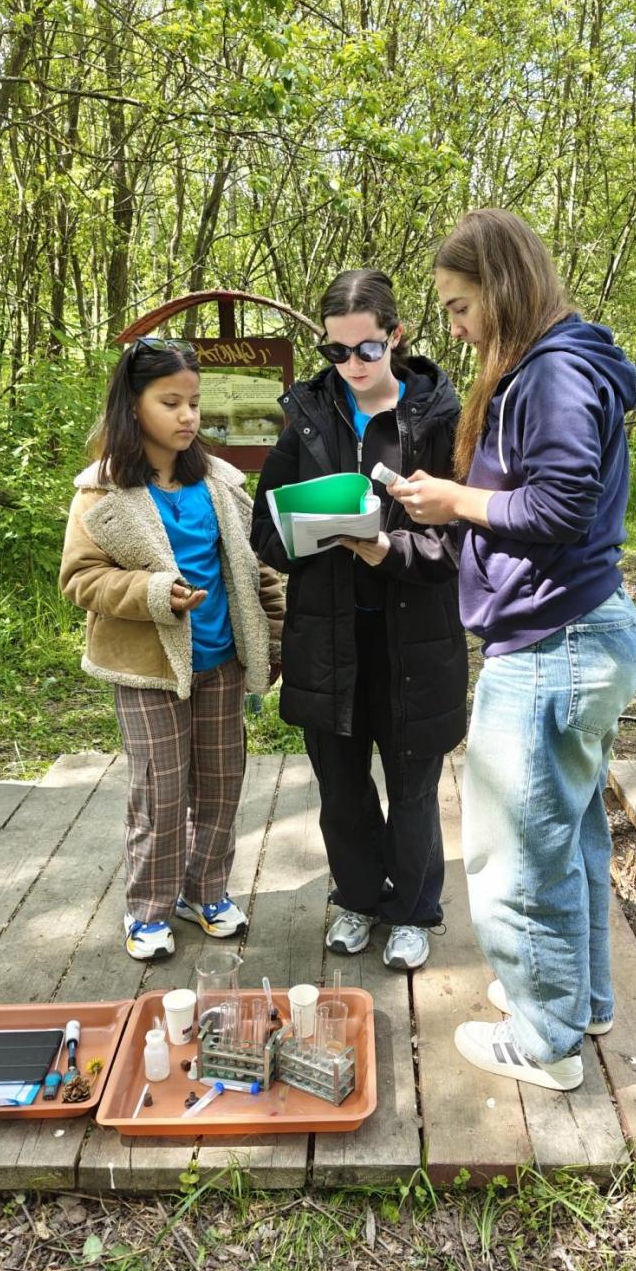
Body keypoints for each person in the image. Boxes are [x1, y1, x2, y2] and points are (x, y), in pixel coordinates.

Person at [389, 210, 636, 1088]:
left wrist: (457, 502)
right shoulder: (563, 361)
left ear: (499, 287)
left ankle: (544, 1041)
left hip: (551, 645)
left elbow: (560, 505)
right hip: (576, 635)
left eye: (460, 308)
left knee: (516, 855)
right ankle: (582, 1000)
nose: (454, 329)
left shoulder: (555, 372)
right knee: (567, 835)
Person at [251, 269, 467, 971]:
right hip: (327, 636)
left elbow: (464, 544)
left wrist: (387, 547)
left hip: (416, 637)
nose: (352, 365)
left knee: (411, 788)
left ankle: (412, 910)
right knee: (341, 787)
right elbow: (264, 534)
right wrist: (311, 532)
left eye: (367, 349)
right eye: (336, 351)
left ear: (397, 336)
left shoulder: (441, 419)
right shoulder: (308, 417)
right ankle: (356, 898)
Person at [60, 337, 284, 960]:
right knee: (160, 791)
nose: (188, 416)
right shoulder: (101, 493)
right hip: (148, 669)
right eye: (170, 403)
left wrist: (276, 633)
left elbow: (254, 570)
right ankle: (148, 909)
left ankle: (205, 890)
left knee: (220, 784)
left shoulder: (220, 482)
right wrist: (155, 592)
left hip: (223, 661)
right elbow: (80, 579)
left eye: (194, 402)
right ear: (134, 409)